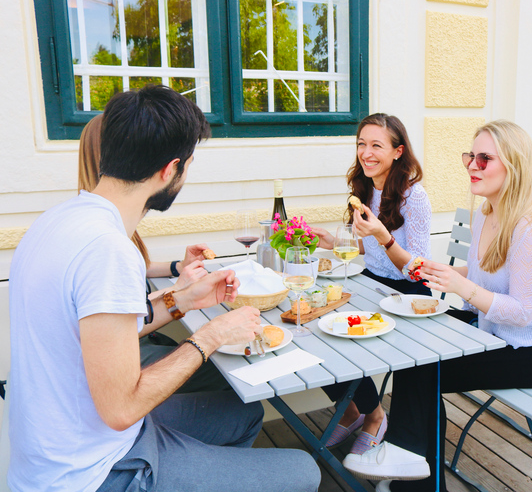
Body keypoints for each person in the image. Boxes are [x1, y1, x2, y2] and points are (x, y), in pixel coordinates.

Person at [8, 85, 321, 492]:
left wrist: (185, 299)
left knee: (241, 413)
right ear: (170, 169)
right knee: (304, 471)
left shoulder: (59, 220)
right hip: (94, 472)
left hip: (58, 445)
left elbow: (100, 334)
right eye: (188, 165)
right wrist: (211, 336)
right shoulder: (109, 250)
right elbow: (121, 408)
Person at [341, 120, 532, 492]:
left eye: (485, 158)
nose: (472, 165)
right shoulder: (488, 212)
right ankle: (412, 467)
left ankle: (406, 460)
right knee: (419, 348)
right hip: (490, 328)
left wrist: (461, 285)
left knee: (423, 365)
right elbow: (485, 272)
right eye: (470, 156)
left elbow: (523, 312)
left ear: (514, 165)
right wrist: (444, 271)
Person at [78, 113, 228, 393]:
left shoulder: (95, 216)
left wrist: (177, 267)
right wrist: (178, 294)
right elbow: (125, 320)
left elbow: (138, 272)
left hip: (128, 345)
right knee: (225, 373)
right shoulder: (105, 240)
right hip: (124, 356)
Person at [312, 113, 432, 457]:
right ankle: (353, 411)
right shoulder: (367, 187)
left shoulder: (415, 196)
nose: (366, 152)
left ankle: (375, 417)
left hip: (407, 295)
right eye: (361, 144)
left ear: (398, 151)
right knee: (320, 329)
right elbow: (369, 245)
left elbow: (417, 269)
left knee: (343, 341)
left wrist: (381, 233)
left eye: (376, 145)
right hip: (372, 283)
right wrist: (333, 242)